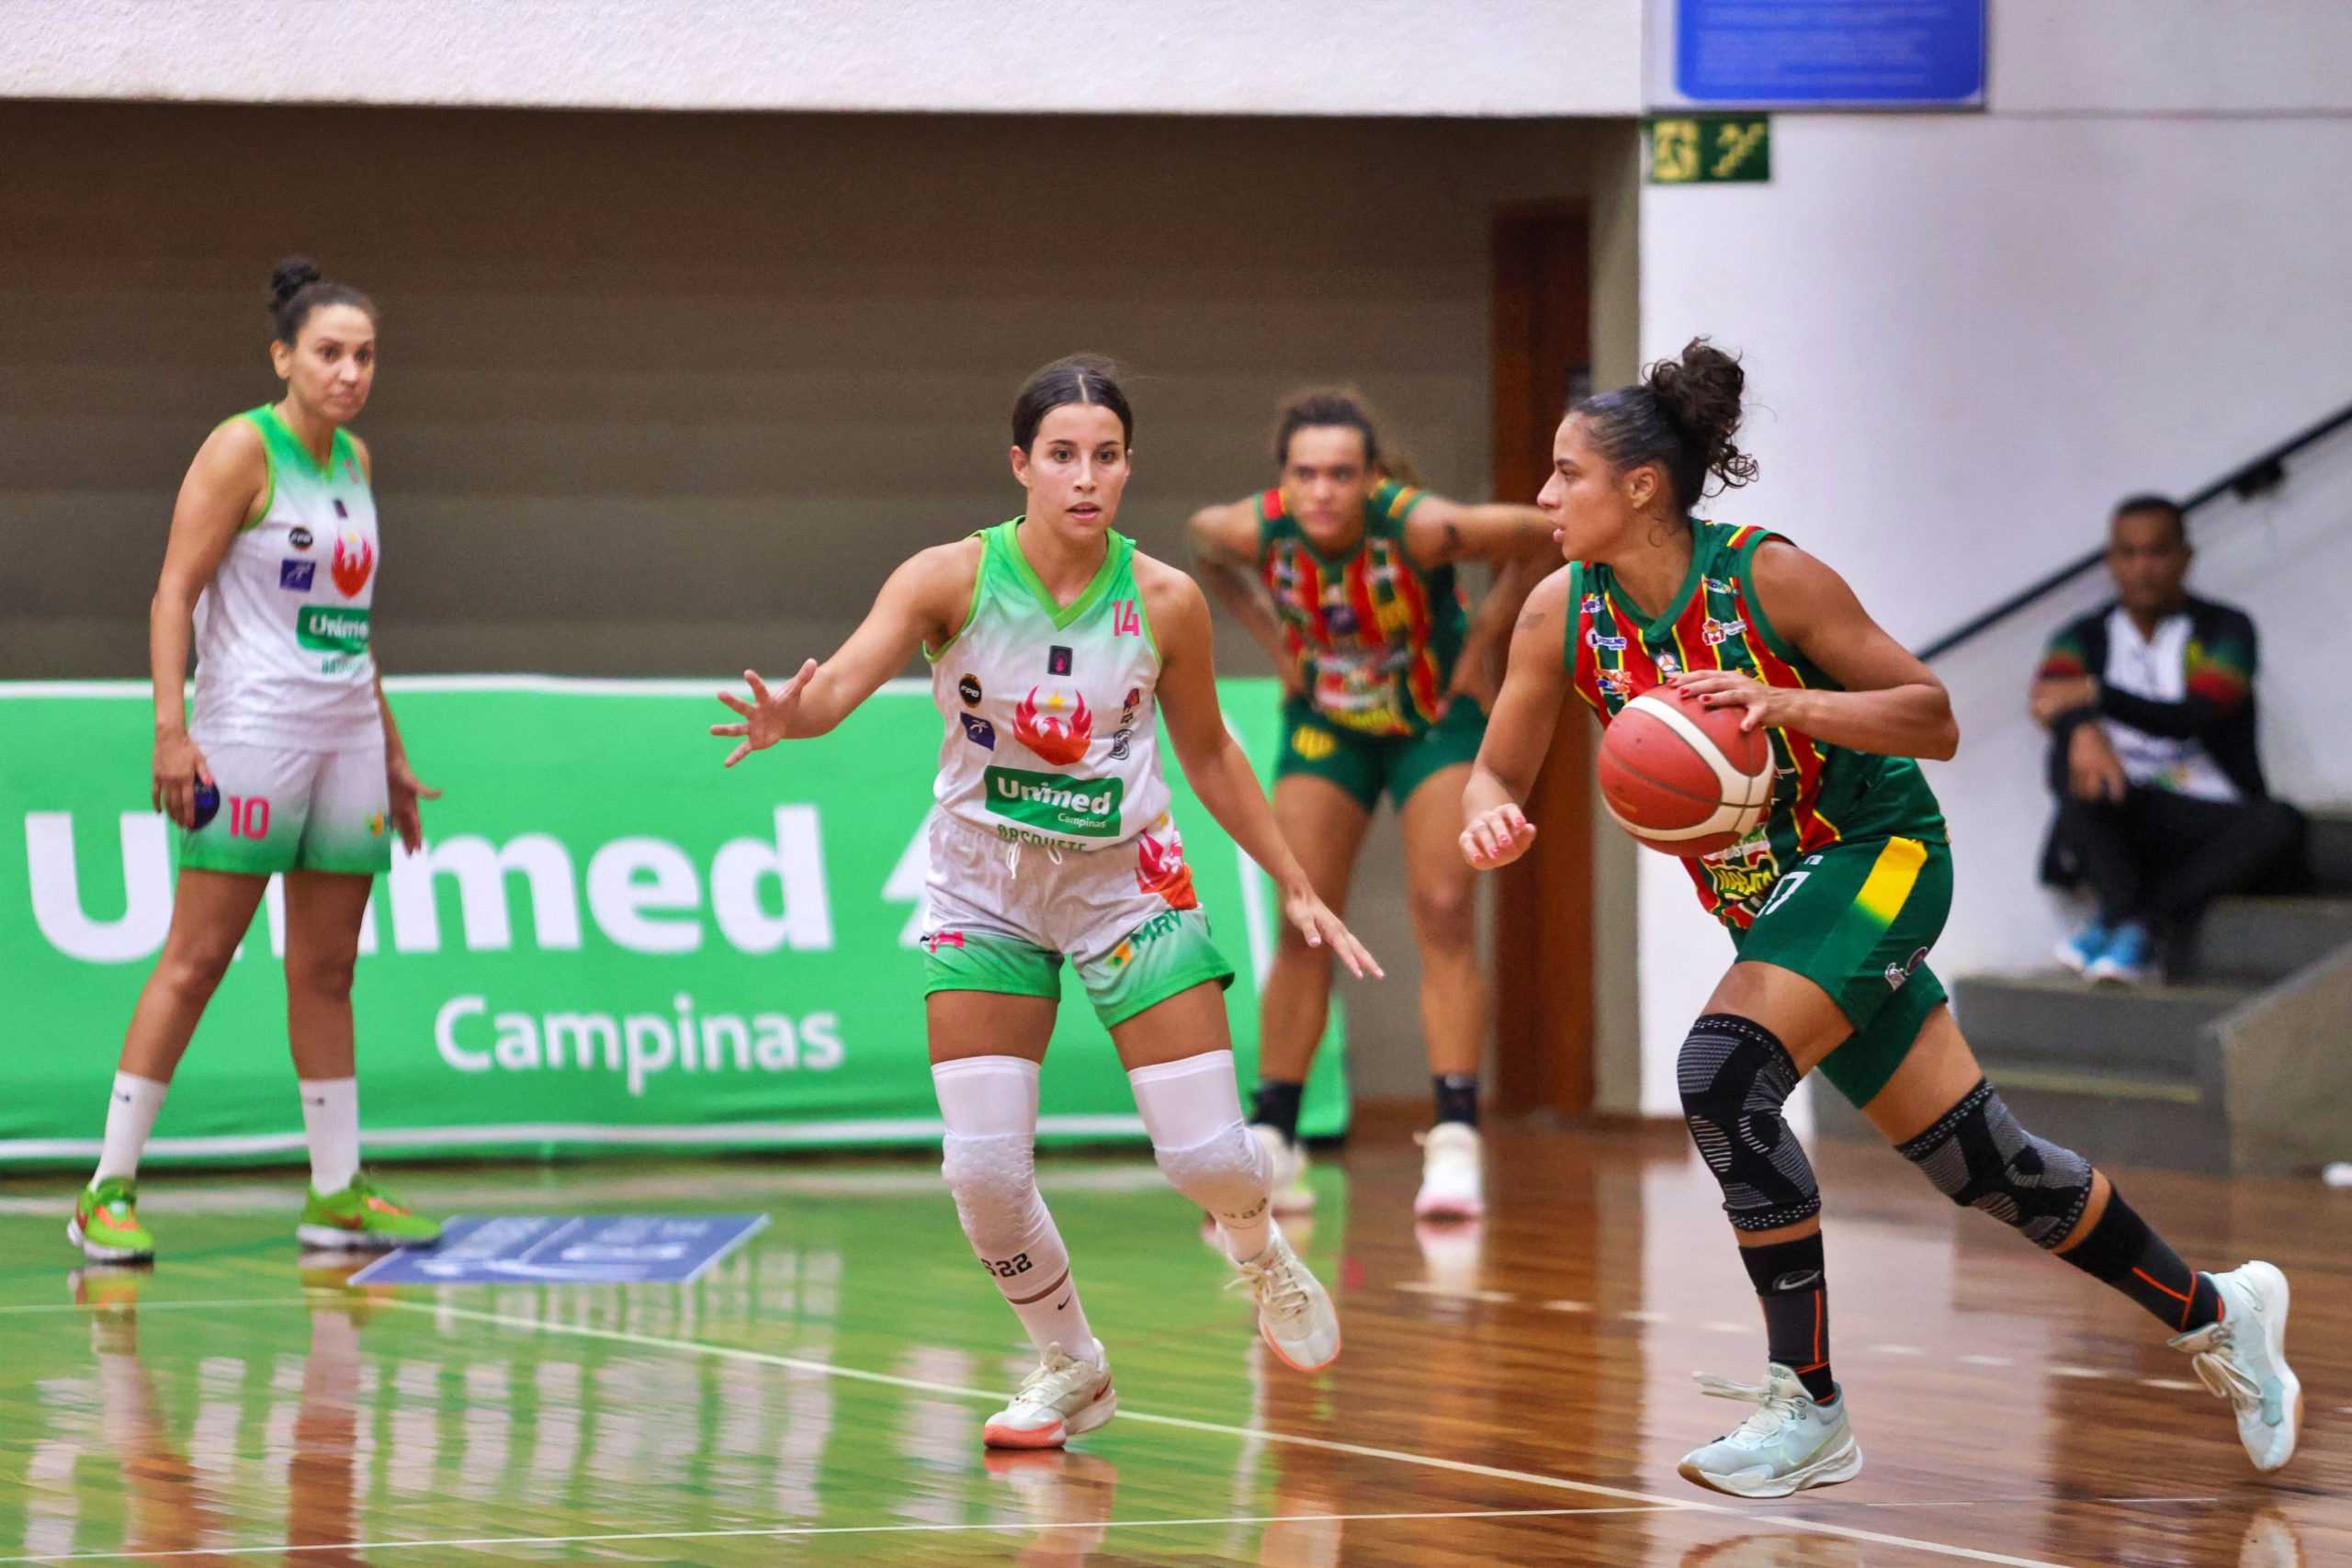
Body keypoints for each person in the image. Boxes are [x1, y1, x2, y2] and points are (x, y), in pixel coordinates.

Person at [1461, 339, 2299, 1496]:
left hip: (1876, 855)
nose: (1544, 495)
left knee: (1720, 1076)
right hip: (1770, 903)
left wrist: (1783, 700)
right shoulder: (1559, 612)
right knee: (1984, 1165)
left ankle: (1807, 1404)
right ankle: (2219, 1313)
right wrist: (1489, 814)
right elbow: (1495, 769)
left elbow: (1930, 715)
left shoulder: (1768, 578)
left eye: (1566, 473)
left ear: (1640, 487)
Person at [713, 355, 1379, 1451]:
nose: (1085, 477)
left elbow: (1210, 752)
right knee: (981, 1171)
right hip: (985, 886)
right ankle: (1070, 1361)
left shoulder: (1164, 600)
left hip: (1127, 884)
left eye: (1105, 457)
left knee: (1208, 1160)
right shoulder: (948, 578)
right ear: (1021, 464)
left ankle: (1257, 1246)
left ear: (1127, 468)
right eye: (1062, 455)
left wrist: (1293, 881)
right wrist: (793, 715)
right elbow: (840, 681)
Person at [69, 259, 444, 1264]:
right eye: (328, 353)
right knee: (196, 960)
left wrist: (392, 752)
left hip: (346, 740)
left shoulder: (356, 461)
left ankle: (336, 1193)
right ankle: (106, 1190)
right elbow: (172, 591)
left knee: (327, 969)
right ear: (283, 358)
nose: (349, 372)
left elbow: (352, 625)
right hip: (249, 734)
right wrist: (171, 727)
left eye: (365, 356)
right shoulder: (242, 448)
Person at [1187, 391, 1556, 1221]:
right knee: (1304, 917)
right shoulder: (1253, 529)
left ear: (1372, 477)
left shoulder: (1422, 527)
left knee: (1445, 907)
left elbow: (1540, 535)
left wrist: (1486, 640)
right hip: (1329, 723)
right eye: (1305, 474)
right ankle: (1277, 1135)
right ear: (1282, 479)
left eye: (1341, 474)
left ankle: (1455, 1135)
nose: (1322, 491)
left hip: (1434, 720)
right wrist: (1276, 640)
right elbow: (1202, 539)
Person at [2032, 495, 2304, 985]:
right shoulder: (2084, 635)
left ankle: (2131, 919)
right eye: (2129, 554)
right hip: (2125, 801)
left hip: (2205, 809)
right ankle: (2130, 921)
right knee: (2066, 756)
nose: (2142, 569)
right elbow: (2048, 698)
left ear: (2184, 557)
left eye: (2157, 553)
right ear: (2111, 560)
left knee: (2279, 824)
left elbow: (2193, 715)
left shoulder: (2227, 629)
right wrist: (2082, 728)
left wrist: (2097, 695)